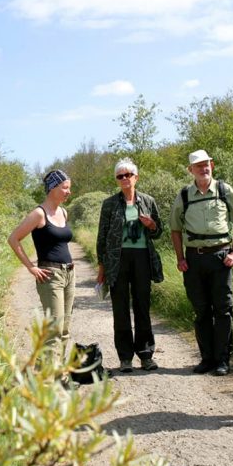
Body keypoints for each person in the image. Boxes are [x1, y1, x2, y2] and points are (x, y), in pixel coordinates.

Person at [170, 149, 233, 376]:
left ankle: (223, 360)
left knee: (223, 310)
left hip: (221, 257)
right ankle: (207, 359)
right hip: (194, 259)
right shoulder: (184, 195)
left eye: (206, 164)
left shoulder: (224, 190)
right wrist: (180, 258)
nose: (203, 168)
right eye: (198, 165)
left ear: (212, 165)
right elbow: (175, 228)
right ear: (190, 170)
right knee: (201, 310)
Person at [96, 159, 163, 372]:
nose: (125, 179)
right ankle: (125, 358)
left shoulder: (148, 201)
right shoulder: (109, 204)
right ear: (117, 180)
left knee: (142, 306)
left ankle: (146, 355)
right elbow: (102, 237)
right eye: (120, 176)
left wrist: (151, 224)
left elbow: (159, 231)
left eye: (128, 175)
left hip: (142, 256)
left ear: (136, 177)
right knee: (120, 308)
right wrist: (101, 267)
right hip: (117, 260)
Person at [8, 169, 74, 366]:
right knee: (54, 328)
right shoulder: (38, 214)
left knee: (64, 328)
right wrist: (31, 267)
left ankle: (56, 371)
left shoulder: (63, 212)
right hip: (50, 275)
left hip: (69, 274)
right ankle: (50, 376)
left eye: (69, 188)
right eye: (65, 188)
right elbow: (13, 239)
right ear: (53, 188)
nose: (68, 192)